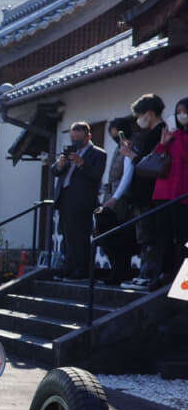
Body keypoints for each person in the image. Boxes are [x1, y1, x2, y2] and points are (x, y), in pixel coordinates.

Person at [120, 94, 168, 288]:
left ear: (149, 113)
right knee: (146, 236)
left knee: (149, 237)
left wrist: (130, 154)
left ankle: (149, 274)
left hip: (151, 192)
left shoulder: (160, 133)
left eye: (139, 114)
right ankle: (146, 273)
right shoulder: (152, 133)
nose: (139, 119)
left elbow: (152, 164)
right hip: (146, 193)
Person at [50, 121, 106, 280]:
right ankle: (68, 268)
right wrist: (60, 164)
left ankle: (81, 270)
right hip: (65, 198)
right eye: (72, 138)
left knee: (80, 236)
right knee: (67, 236)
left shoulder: (98, 154)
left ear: (88, 136)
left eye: (78, 139)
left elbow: (96, 174)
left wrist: (81, 162)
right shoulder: (70, 151)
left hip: (83, 200)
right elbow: (55, 171)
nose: (75, 142)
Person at [97, 117, 138, 285]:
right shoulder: (118, 148)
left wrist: (115, 198)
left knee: (119, 239)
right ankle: (116, 272)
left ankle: (120, 272)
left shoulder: (129, 147)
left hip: (121, 198)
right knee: (109, 238)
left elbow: (128, 174)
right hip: (112, 194)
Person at [151, 96, 188, 278]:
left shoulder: (180, 137)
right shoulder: (173, 135)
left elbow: (184, 155)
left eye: (185, 112)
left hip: (182, 194)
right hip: (165, 192)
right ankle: (163, 273)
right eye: (178, 112)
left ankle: (181, 277)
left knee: (182, 237)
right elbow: (157, 159)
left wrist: (178, 137)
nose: (181, 116)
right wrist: (163, 144)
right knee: (163, 235)